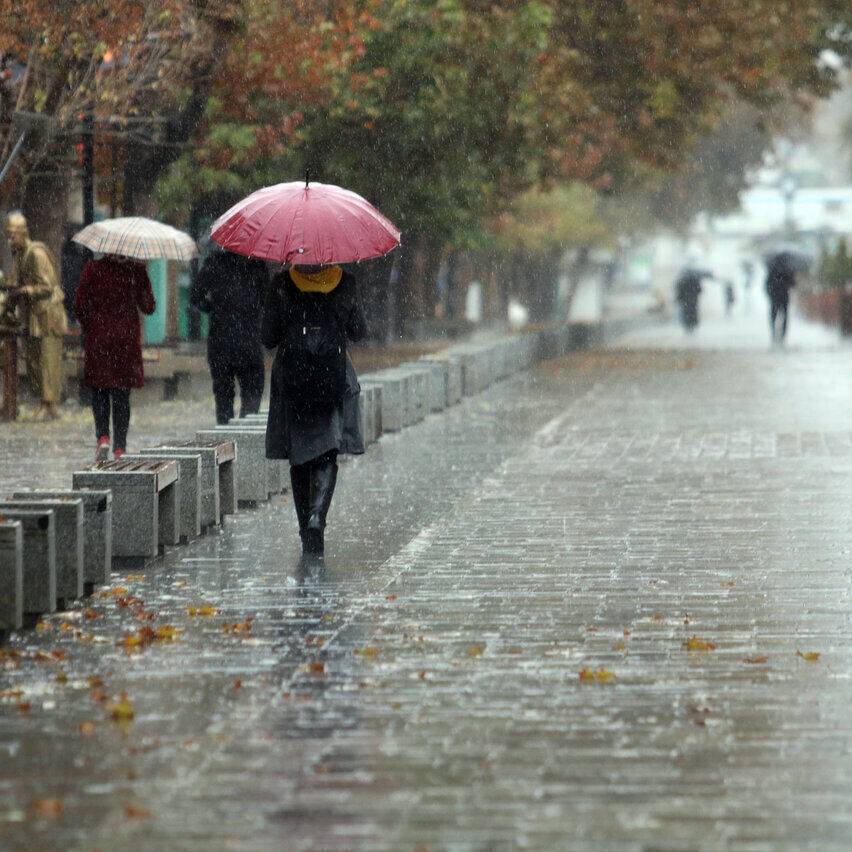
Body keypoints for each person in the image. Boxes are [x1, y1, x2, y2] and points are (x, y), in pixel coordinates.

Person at [262, 263, 367, 555]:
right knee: (327, 450)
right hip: (331, 378)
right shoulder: (345, 282)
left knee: (299, 456)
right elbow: (359, 332)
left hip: (293, 380)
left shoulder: (282, 284)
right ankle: (317, 517)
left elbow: (268, 337)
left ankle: (305, 531)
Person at [74, 254, 155, 460]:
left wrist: (92, 325)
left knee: (99, 389)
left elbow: (79, 305)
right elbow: (149, 307)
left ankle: (103, 437)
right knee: (122, 394)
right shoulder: (135, 270)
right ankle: (120, 447)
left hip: (99, 338)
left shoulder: (93, 268)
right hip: (125, 341)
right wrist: (142, 281)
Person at [3, 211, 68, 420]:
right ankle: (44, 401)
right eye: (8, 236)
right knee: (34, 360)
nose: (9, 240)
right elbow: (16, 281)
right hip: (35, 314)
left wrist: (26, 290)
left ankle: (49, 404)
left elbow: (47, 286)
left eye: (12, 235)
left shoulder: (36, 253)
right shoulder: (21, 255)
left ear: (23, 233)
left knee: (48, 359)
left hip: (48, 314)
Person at [191, 249, 267, 424]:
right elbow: (266, 299)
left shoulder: (214, 262)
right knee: (252, 393)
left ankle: (225, 433)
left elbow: (195, 296)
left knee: (223, 396)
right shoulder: (257, 264)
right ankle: (246, 432)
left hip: (221, 340)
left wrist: (214, 307)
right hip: (249, 340)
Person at [765, 253, 796, 344]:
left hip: (774, 297)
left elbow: (767, 283)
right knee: (785, 316)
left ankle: (773, 332)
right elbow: (792, 283)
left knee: (773, 315)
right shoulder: (788, 269)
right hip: (784, 297)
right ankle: (783, 335)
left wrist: (770, 293)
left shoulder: (772, 269)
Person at [674, 268, 706, 333]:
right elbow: (699, 290)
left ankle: (687, 325)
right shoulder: (695, 280)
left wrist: (679, 298)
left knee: (686, 313)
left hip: (685, 301)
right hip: (693, 300)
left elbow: (679, 291)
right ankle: (692, 325)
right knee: (693, 313)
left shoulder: (682, 280)